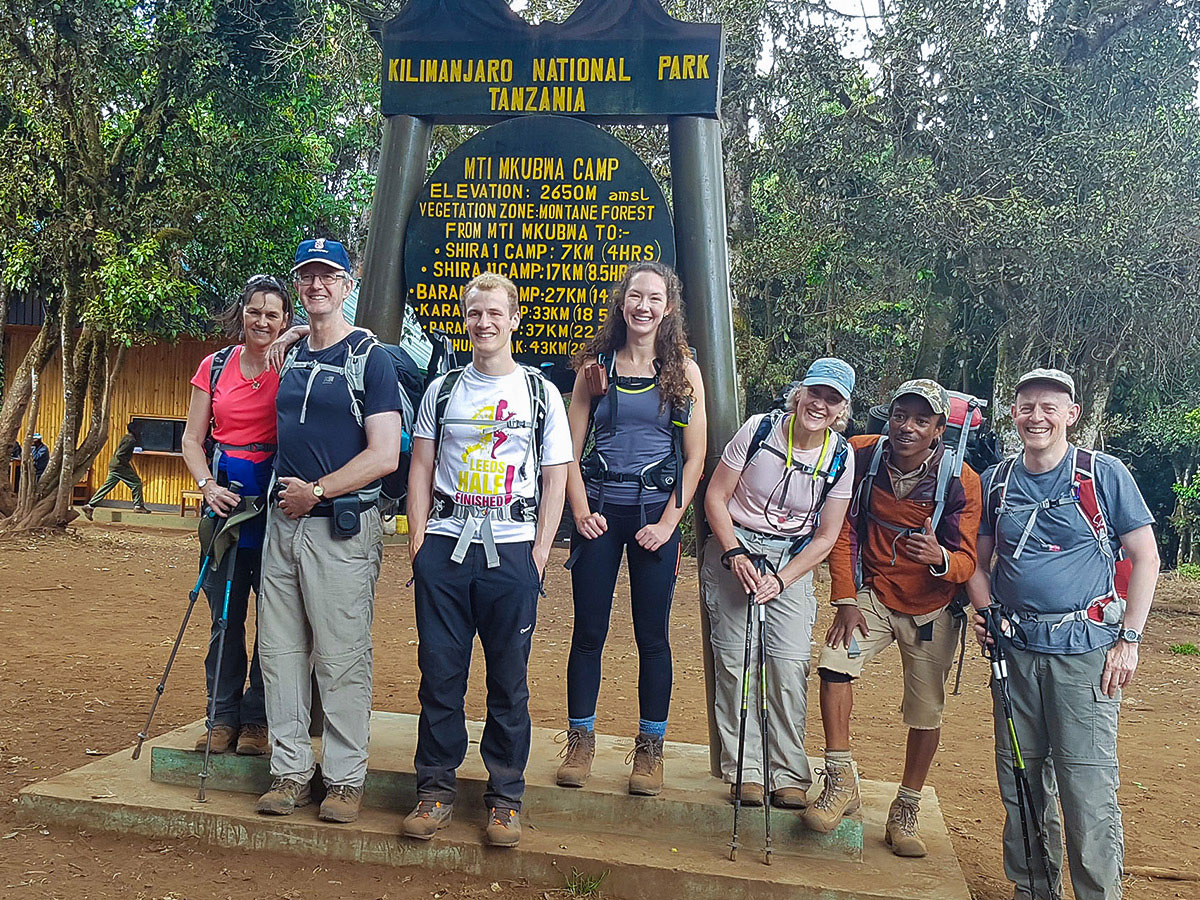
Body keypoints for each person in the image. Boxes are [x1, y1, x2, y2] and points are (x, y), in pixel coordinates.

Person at [967, 368, 1158, 900]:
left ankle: (1098, 894)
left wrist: (1130, 639)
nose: (1037, 417)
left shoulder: (1104, 473)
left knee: (1086, 787)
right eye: (1027, 406)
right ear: (1013, 414)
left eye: (1050, 408)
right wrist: (987, 614)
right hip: (1016, 654)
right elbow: (978, 565)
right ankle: (1033, 891)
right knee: (1021, 783)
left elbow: (1145, 557)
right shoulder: (997, 481)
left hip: (1085, 655)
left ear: (1071, 415)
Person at [403, 271, 570, 848]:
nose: (484, 322)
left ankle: (504, 798)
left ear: (515, 318)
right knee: (441, 674)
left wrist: (541, 552)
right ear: (465, 319)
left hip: (513, 550)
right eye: (475, 313)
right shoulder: (442, 391)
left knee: (509, 680)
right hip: (446, 549)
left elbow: (554, 478)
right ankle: (435, 790)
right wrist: (418, 542)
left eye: (495, 312)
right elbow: (420, 467)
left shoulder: (540, 394)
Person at [254, 238, 403, 824]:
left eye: (329, 276)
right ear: (299, 285)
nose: (317, 286)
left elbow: (385, 453)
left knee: (340, 657)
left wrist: (317, 490)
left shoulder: (372, 358)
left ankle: (344, 778)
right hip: (281, 527)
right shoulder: (289, 355)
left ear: (348, 284)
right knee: (280, 651)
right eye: (307, 277)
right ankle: (290, 770)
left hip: (338, 528)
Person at [805, 379, 981, 855]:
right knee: (835, 660)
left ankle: (906, 808)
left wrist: (940, 557)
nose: (907, 427)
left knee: (925, 711)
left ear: (939, 429)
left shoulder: (960, 478)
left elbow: (970, 561)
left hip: (932, 608)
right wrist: (844, 597)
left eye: (921, 420)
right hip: (875, 597)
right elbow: (840, 527)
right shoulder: (862, 455)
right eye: (900, 415)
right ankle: (840, 779)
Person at [555, 262, 707, 795]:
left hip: (652, 517)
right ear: (622, 303)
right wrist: (579, 511)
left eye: (655, 298)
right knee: (588, 633)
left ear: (668, 308)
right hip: (599, 511)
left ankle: (650, 747)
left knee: (653, 637)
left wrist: (670, 524)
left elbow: (694, 458)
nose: (644, 306)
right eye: (635, 296)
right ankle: (580, 740)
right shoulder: (596, 368)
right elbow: (568, 450)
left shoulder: (682, 370)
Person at [700, 359, 856, 809]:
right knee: (736, 661)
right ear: (800, 392)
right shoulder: (759, 430)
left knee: (788, 666)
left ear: (842, 408)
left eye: (833, 399)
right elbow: (716, 495)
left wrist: (784, 579)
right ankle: (745, 768)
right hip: (737, 548)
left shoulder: (840, 456)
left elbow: (827, 534)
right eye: (816, 393)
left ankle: (787, 769)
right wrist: (734, 552)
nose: (820, 405)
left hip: (792, 560)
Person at [180, 275, 293, 757]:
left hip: (275, 502)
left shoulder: (293, 363)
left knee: (275, 619)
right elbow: (191, 438)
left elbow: (342, 333)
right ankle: (220, 716)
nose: (262, 321)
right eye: (255, 311)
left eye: (273, 314)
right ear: (240, 313)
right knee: (225, 616)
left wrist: (301, 336)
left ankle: (258, 720)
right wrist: (207, 486)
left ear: (285, 320)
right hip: (226, 504)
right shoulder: (215, 364)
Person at [82, 420, 149, 516]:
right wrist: (125, 465)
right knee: (136, 482)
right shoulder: (131, 440)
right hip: (119, 465)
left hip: (114, 464)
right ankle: (138, 506)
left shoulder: (127, 437)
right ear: (135, 430)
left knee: (107, 486)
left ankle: (90, 506)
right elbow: (120, 455)